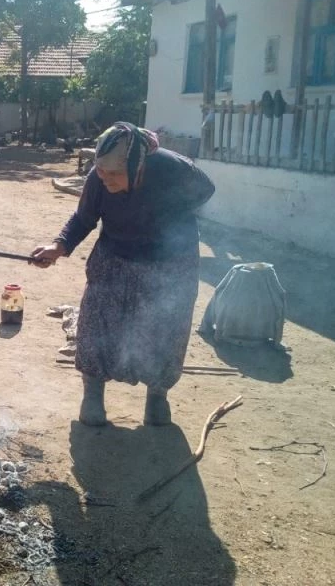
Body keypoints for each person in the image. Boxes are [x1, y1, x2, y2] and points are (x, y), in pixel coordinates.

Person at [31, 122, 215, 427]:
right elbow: (84, 218)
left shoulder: (172, 169)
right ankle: (93, 394)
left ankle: (157, 396)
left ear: (137, 165)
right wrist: (58, 246)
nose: (105, 179)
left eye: (114, 174)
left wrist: (170, 215)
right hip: (114, 255)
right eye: (101, 172)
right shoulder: (98, 177)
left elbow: (206, 190)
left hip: (170, 263)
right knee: (96, 320)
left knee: (166, 327)